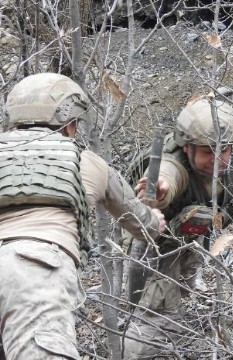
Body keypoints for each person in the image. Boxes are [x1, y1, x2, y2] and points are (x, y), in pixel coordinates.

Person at [0, 73, 166, 360]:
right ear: (70, 123)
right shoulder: (85, 160)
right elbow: (140, 223)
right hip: (35, 269)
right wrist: (155, 219)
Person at [123, 95, 233, 358]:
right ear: (187, 148)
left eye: (223, 149)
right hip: (157, 243)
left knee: (181, 290)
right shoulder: (174, 163)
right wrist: (160, 189)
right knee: (155, 314)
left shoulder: (232, 144)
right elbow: (167, 178)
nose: (219, 158)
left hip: (193, 234)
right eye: (208, 152)